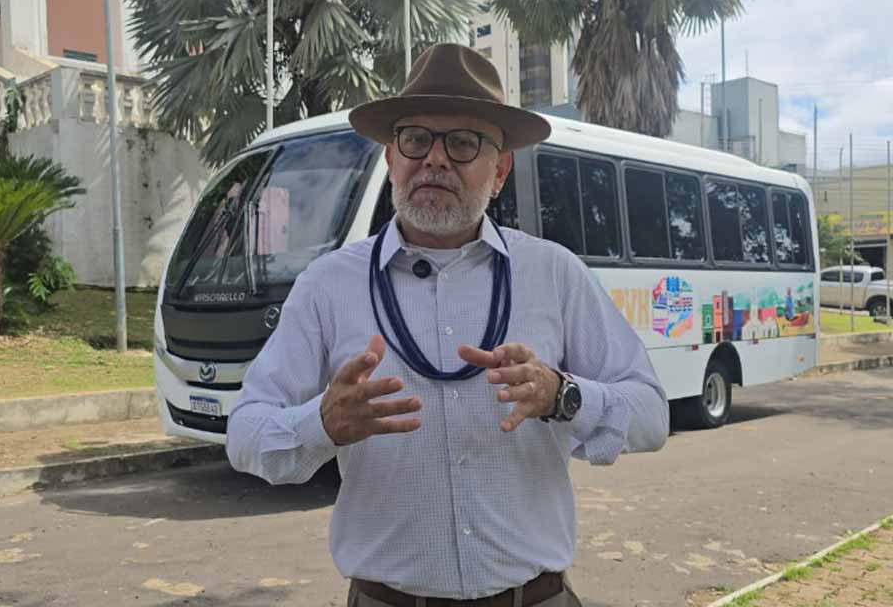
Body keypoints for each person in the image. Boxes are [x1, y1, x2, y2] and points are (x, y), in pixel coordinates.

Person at [227, 43, 669, 607]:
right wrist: (322, 423)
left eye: (463, 143)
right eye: (416, 138)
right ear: (392, 157)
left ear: (500, 170)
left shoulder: (553, 273)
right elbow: (246, 433)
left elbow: (651, 414)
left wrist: (562, 395)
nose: (435, 159)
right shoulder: (328, 284)